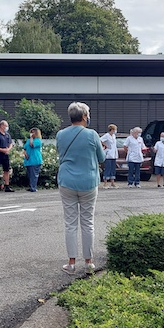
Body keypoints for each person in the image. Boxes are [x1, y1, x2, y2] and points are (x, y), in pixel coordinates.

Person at [56, 102, 104, 275]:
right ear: (84, 116)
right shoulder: (92, 135)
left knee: (70, 223)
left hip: (67, 181)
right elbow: (101, 157)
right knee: (87, 222)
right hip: (88, 182)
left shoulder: (61, 134)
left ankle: (71, 263)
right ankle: (89, 262)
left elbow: (60, 153)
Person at [22, 127, 43, 192]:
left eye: (33, 132)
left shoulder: (38, 141)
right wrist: (25, 154)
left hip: (35, 160)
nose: (31, 134)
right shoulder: (28, 140)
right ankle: (31, 186)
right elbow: (24, 148)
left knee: (34, 175)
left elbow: (32, 145)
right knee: (30, 174)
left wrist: (31, 138)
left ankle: (33, 187)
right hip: (29, 160)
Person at [99, 123, 118, 189]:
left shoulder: (113, 136)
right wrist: (105, 145)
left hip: (114, 154)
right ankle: (105, 183)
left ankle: (112, 183)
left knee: (113, 169)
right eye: (115, 130)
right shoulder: (106, 135)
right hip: (108, 154)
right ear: (112, 130)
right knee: (108, 168)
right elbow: (100, 140)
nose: (115, 131)